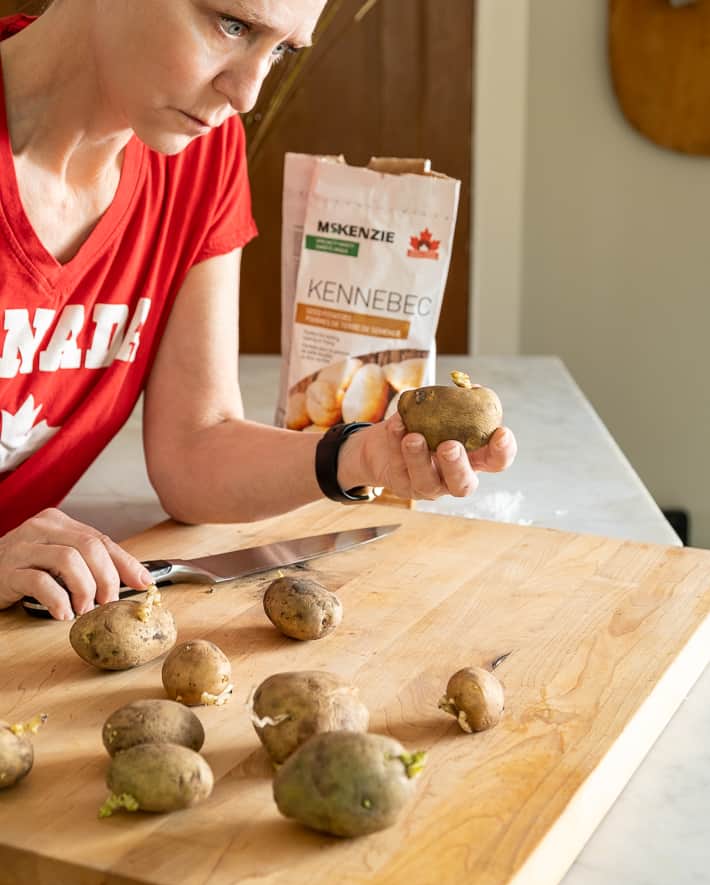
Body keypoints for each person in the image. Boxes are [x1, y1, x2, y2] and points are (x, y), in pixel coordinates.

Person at [0, 0, 517, 621]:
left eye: (280, 50)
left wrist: (358, 456)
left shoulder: (201, 158)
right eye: (232, 24)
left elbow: (196, 447)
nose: (246, 93)